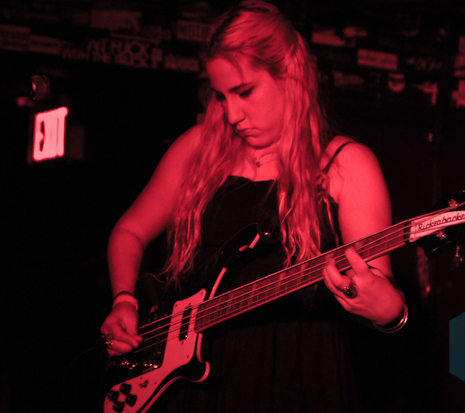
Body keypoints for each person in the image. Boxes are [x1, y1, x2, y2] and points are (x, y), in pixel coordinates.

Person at [100, 1, 407, 411]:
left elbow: (379, 286)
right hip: (190, 379)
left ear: (290, 74)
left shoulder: (346, 165)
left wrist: (389, 311)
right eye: (221, 96)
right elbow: (129, 231)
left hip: (300, 378)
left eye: (244, 92)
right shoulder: (197, 150)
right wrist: (124, 300)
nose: (231, 114)